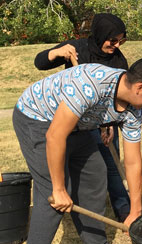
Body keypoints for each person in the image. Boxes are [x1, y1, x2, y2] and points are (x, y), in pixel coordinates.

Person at [13, 57, 142, 243]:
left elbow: (133, 161)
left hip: (78, 126)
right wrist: (58, 188)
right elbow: (54, 136)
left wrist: (135, 211)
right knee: (52, 193)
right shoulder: (92, 85)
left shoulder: (134, 110)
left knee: (95, 174)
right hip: (37, 118)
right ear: (139, 87)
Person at [34, 13, 131, 222]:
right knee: (83, 166)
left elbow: (120, 96)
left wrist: (111, 123)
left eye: (120, 40)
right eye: (112, 39)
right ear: (100, 34)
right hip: (73, 120)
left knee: (112, 166)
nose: (116, 44)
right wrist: (56, 52)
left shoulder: (118, 59)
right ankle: (78, 205)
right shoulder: (76, 48)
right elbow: (39, 63)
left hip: (103, 119)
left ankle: (124, 210)